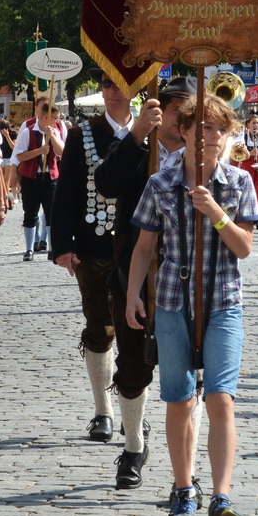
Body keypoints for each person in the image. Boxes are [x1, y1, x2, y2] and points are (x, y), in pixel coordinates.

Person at [126, 95, 258, 516]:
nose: (209, 137)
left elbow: (244, 248)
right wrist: (133, 296)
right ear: (183, 131)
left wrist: (217, 213)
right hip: (171, 299)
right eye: (200, 128)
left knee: (220, 398)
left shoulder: (238, 181)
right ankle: (184, 489)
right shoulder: (160, 183)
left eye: (217, 130)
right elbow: (144, 246)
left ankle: (222, 496)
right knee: (180, 399)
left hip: (223, 300)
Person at [87, 75, 194, 489]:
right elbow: (106, 184)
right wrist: (135, 135)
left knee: (189, 374)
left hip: (187, 279)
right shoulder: (138, 149)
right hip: (134, 275)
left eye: (190, 112)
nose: (182, 120)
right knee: (132, 369)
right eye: (175, 111)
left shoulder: (204, 156)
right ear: (159, 111)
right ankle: (133, 446)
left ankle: (186, 473)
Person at [15, 97, 65, 261]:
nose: (57, 120)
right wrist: (39, 151)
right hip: (31, 177)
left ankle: (52, 248)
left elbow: (61, 152)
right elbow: (20, 156)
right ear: (46, 117)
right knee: (30, 213)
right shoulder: (28, 132)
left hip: (51, 178)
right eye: (55, 117)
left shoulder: (55, 131)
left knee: (51, 214)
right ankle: (29, 249)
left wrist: (53, 136)